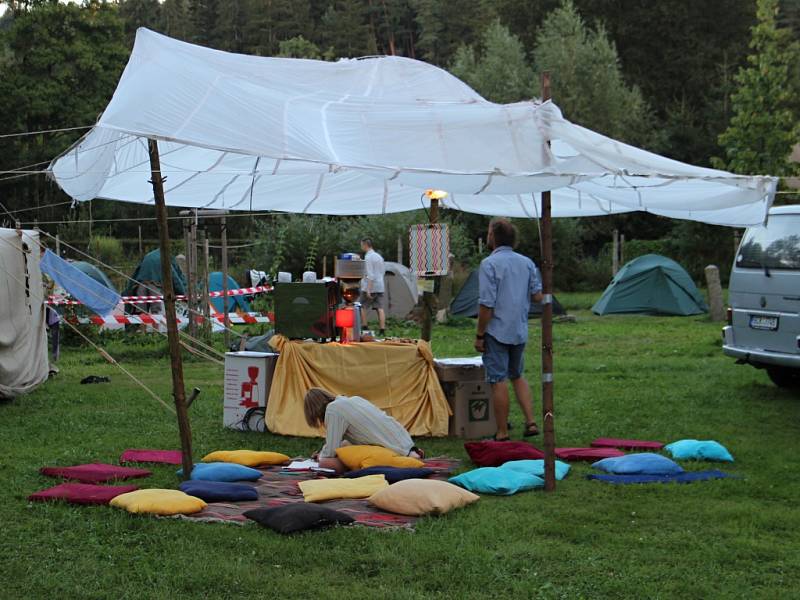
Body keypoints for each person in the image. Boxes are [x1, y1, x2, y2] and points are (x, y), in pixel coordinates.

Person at [474, 218, 543, 441]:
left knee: (498, 380)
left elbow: (487, 304)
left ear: (493, 236)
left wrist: (480, 334)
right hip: (519, 328)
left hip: (496, 330)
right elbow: (537, 295)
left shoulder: (489, 264)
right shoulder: (527, 262)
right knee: (517, 375)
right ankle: (531, 422)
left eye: (488, 233)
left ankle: (502, 431)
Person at [304, 388, 424, 473]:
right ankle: (412, 454)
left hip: (393, 452)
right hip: (405, 444)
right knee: (344, 445)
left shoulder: (333, 409)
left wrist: (320, 456)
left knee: (325, 463)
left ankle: (407, 460)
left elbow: (330, 450)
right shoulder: (354, 400)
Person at [359, 238, 386, 336]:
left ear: (366, 245)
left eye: (361, 245)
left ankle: (365, 326)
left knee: (361, 306)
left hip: (370, 286)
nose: (361, 247)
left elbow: (370, 274)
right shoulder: (379, 256)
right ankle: (382, 330)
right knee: (380, 308)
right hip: (380, 285)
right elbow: (383, 271)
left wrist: (368, 290)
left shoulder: (368, 257)